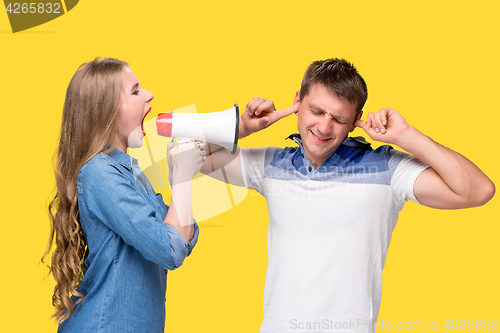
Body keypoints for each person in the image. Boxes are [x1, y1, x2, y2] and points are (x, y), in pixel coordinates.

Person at [203, 58, 495, 332]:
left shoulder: (388, 169)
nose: (324, 127)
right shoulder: (270, 165)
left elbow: (478, 191)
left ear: (356, 119)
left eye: (339, 118)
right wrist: (241, 127)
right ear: (297, 103)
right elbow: (183, 155)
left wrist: (406, 136)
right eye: (316, 111)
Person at [42, 57, 204, 332]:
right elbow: (171, 249)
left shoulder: (129, 172)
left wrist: (240, 129)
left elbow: (185, 236)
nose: (149, 95)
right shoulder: (99, 174)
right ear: (106, 111)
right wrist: (182, 177)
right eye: (136, 91)